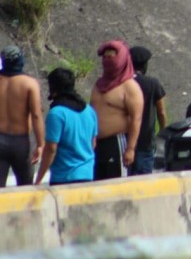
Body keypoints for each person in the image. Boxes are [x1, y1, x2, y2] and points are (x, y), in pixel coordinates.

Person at [90, 40, 144, 181]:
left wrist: (130, 148)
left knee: (116, 185)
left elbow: (136, 119)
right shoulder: (98, 84)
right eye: (105, 57)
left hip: (117, 143)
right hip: (96, 144)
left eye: (112, 57)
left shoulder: (130, 87)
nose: (107, 60)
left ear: (121, 59)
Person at [35, 68, 97, 186]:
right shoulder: (89, 110)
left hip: (64, 177)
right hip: (87, 175)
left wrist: (39, 179)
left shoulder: (57, 113)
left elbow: (51, 149)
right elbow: (93, 143)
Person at [0, 46, 44, 187]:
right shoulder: (29, 83)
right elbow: (36, 115)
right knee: (25, 186)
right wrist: (40, 144)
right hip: (21, 141)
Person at [128, 46, 167, 175]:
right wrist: (163, 132)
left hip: (125, 142)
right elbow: (161, 112)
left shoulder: (123, 83)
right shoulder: (153, 83)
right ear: (145, 65)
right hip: (146, 142)